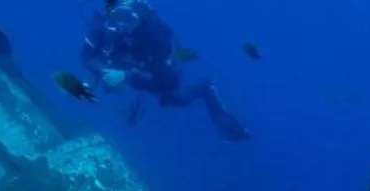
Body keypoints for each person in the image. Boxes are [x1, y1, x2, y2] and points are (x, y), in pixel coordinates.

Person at [80, 0, 251, 141]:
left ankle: (204, 90)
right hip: (123, 64)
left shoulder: (155, 33)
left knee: (173, 96)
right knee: (110, 87)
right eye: (118, 17)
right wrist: (104, 72)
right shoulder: (101, 25)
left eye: (129, 19)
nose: (123, 25)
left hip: (154, 70)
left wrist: (126, 74)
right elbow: (86, 57)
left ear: (139, 17)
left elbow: (152, 75)